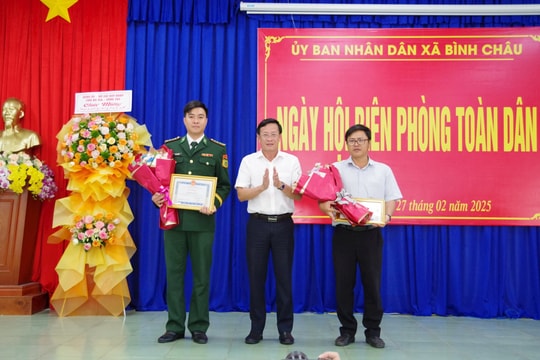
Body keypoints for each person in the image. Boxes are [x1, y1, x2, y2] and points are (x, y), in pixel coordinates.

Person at [152, 100, 231, 344]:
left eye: (200, 117)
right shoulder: (169, 147)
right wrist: (157, 197)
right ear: (184, 120)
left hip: (202, 224)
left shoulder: (217, 150)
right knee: (174, 275)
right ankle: (174, 326)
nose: (196, 121)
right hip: (174, 222)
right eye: (192, 116)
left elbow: (225, 184)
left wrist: (214, 203)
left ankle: (198, 326)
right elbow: (160, 183)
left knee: (201, 277)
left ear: (206, 121)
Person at [318, 124, 402, 349]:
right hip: (343, 234)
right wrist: (328, 209)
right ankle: (346, 331)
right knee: (344, 284)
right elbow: (322, 198)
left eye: (360, 140)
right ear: (346, 144)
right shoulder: (335, 169)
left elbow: (393, 197)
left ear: (369, 142)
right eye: (352, 140)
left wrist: (388, 216)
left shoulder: (383, 170)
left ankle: (373, 331)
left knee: (372, 284)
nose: (356, 144)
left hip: (371, 235)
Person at [235, 118, 302, 345]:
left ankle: (285, 330)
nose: (270, 138)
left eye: (274, 134)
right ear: (259, 138)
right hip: (258, 224)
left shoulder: (291, 161)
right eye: (265, 134)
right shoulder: (249, 161)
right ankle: (256, 329)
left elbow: (299, 195)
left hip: (283, 225)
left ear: (280, 136)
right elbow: (241, 195)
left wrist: (281, 185)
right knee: (256, 278)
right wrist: (262, 187)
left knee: (284, 278)